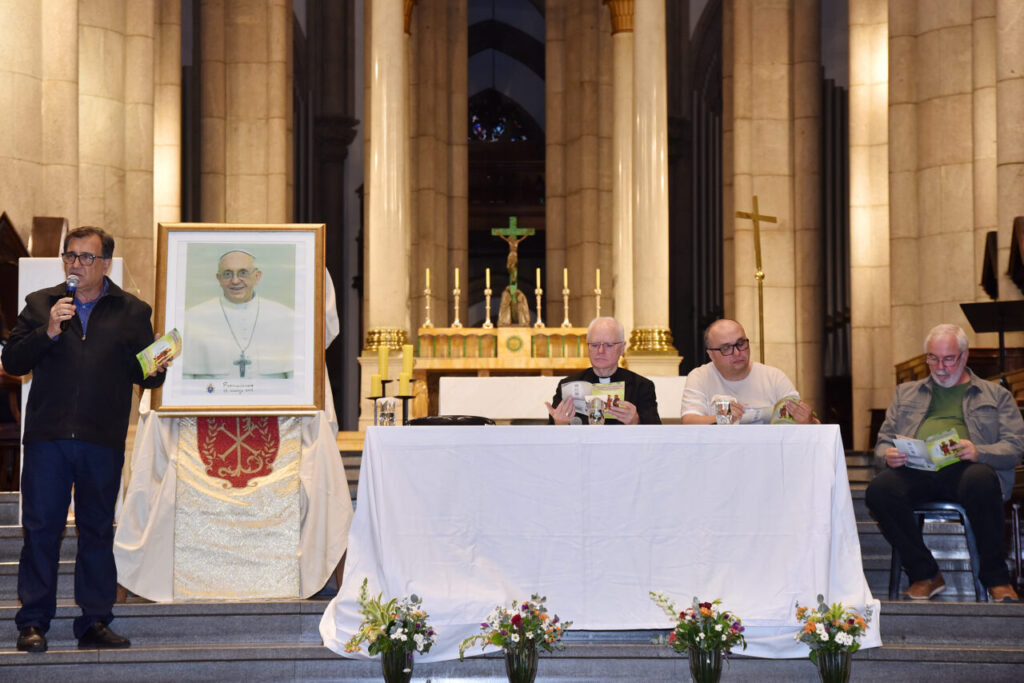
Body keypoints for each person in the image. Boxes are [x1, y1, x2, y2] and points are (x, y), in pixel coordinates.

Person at [2, 226, 169, 653]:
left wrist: (158, 363)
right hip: (48, 439)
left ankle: (94, 622)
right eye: (70, 256)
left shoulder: (132, 311)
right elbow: (13, 360)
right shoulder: (42, 304)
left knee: (96, 530)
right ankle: (33, 623)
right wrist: (49, 332)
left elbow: (145, 375)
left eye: (86, 258)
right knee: (42, 530)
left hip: (101, 439)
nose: (76, 264)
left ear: (106, 264)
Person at [866, 323, 1023, 601]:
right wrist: (888, 455)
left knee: (981, 479)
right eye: (933, 358)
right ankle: (924, 573)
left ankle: (997, 579)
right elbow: (881, 444)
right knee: (879, 490)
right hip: (916, 469)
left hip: (967, 469)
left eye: (948, 358)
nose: (939, 367)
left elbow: (1014, 448)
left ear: (964, 356)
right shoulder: (906, 394)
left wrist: (979, 452)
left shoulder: (996, 395)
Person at [182, 249, 294, 379]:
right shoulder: (192, 318)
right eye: (227, 274)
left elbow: (297, 381)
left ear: (257, 277)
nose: (235, 281)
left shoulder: (285, 317)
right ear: (219, 279)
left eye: (243, 273)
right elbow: (184, 380)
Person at [681, 319, 818, 424]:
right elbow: (689, 421)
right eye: (726, 348)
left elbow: (811, 423)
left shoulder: (774, 377)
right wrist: (724, 418)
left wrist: (807, 420)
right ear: (711, 355)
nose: (737, 352)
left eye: (741, 343)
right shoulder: (700, 376)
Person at [545, 317, 660, 425]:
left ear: (622, 348)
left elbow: (657, 434)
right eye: (594, 345)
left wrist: (636, 420)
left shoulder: (642, 386)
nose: (600, 350)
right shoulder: (568, 386)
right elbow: (548, 437)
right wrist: (559, 424)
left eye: (609, 345)